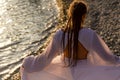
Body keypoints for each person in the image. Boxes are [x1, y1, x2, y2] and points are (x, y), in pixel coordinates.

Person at [20, 0, 120, 80]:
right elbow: (107, 58)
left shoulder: (60, 35)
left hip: (66, 72)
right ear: (84, 16)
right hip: (87, 73)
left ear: (69, 14)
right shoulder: (89, 34)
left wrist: (29, 63)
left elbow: (46, 58)